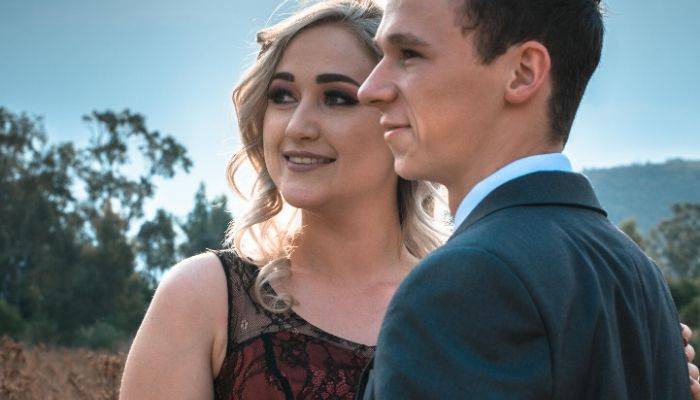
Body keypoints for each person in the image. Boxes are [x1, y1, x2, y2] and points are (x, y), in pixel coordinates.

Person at [118, 1, 699, 399]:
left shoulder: (469, 285)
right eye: (281, 94)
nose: (297, 126)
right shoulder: (207, 298)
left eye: (338, 98)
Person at [355, 0, 696, 398]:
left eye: (409, 54)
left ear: (522, 73)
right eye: (381, 56)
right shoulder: (637, 271)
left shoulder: (464, 282)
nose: (370, 89)